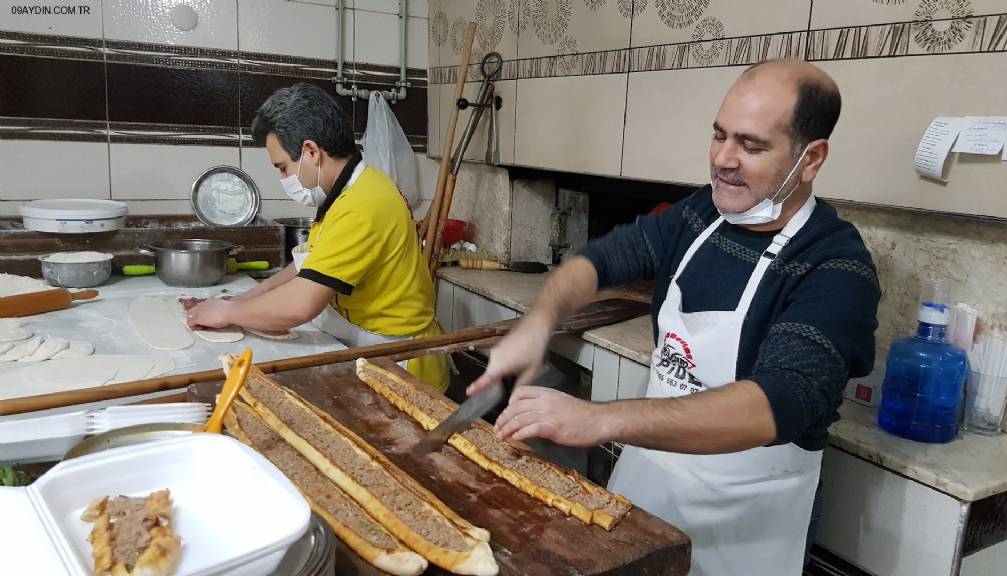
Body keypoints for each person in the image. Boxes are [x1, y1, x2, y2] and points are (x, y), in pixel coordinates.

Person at [467, 60, 880, 575]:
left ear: (811, 157)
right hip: (647, 486)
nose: (724, 160)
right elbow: (598, 262)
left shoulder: (835, 265)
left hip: (743, 523)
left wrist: (596, 418)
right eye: (718, 135)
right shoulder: (699, 215)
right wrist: (538, 323)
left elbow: (776, 403)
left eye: (751, 146)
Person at [188, 83, 448, 391]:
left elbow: (301, 306)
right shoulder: (348, 191)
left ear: (311, 151)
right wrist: (253, 295)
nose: (284, 178)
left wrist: (228, 312)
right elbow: (312, 261)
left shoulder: (363, 204)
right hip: (365, 346)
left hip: (399, 362)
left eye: (282, 167)